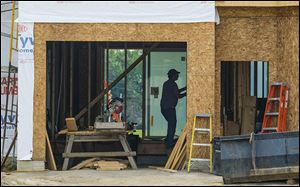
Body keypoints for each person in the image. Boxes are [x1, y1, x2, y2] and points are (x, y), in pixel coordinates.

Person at [160, 69, 186, 155]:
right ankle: (169, 144)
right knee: (172, 125)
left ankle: (168, 140)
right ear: (173, 75)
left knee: (171, 124)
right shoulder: (173, 84)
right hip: (170, 108)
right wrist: (186, 93)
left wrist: (185, 88)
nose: (178, 76)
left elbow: (176, 91)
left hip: (164, 108)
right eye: (176, 75)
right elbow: (178, 95)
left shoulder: (167, 83)